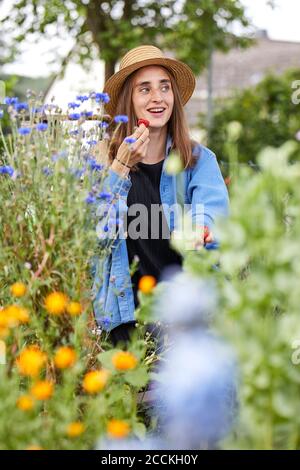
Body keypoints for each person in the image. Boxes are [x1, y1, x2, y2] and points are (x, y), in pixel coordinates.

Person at [92, 45, 229, 346]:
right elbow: (93, 237)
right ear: (129, 100)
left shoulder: (199, 160)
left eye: (164, 87)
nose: (158, 97)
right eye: (145, 89)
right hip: (125, 323)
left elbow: (211, 215)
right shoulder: (102, 163)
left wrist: (199, 228)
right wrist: (121, 166)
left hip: (187, 319)